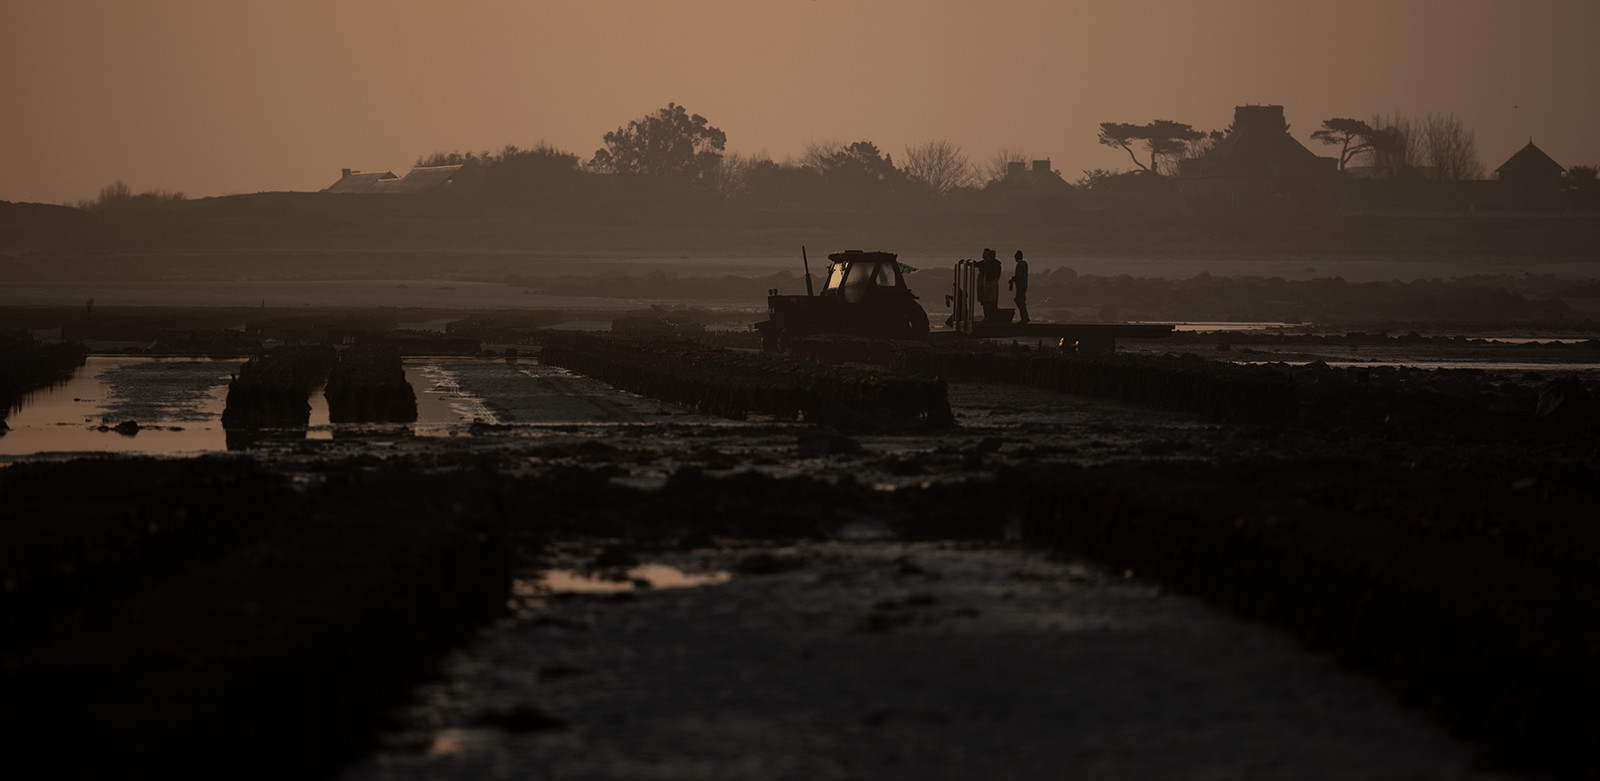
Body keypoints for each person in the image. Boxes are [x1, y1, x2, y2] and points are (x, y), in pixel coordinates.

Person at [978, 248, 1002, 321]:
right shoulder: (993, 263)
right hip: (988, 286)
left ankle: (989, 317)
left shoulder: (990, 264)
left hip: (989, 286)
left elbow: (980, 265)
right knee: (988, 302)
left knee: (989, 302)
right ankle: (989, 317)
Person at [1008, 250, 1030, 324]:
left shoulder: (1019, 265)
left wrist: (1012, 280)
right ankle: (1025, 318)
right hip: (1024, 285)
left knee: (1019, 301)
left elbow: (1018, 276)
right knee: (1021, 301)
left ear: (1016, 257)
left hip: (1020, 286)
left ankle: (1024, 318)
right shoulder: (1024, 264)